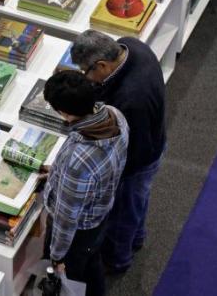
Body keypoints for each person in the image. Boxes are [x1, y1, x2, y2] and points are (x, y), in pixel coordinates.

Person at [70, 30, 166, 274]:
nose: (87, 77)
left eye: (87, 71)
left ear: (102, 64)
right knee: (138, 202)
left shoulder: (131, 99)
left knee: (124, 211)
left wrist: (109, 179)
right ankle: (137, 238)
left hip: (139, 159)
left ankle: (118, 260)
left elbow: (133, 153)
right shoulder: (130, 45)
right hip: (154, 140)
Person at [41, 70, 129, 296]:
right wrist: (59, 173)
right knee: (92, 263)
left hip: (78, 233)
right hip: (100, 214)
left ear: (64, 113)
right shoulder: (114, 114)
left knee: (73, 278)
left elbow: (66, 218)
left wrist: (58, 256)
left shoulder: (78, 162)